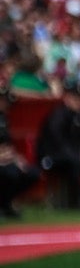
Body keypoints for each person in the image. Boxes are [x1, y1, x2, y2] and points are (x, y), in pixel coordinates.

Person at [0, 87, 42, 218]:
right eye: (4, 101)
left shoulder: (3, 119)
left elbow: (7, 145)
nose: (7, 105)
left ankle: (5, 203)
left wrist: (16, 158)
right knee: (10, 174)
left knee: (32, 173)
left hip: (7, 160)